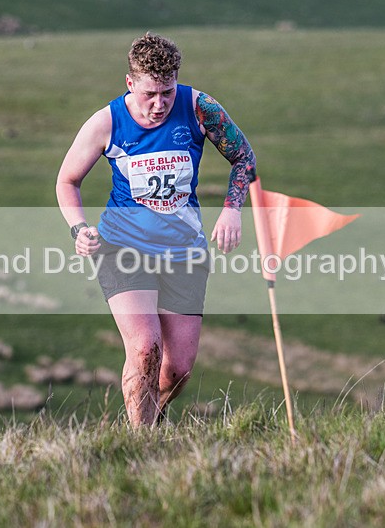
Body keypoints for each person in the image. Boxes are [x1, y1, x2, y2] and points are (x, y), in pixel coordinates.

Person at [56, 31, 256, 427]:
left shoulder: (200, 108)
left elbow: (243, 157)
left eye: (167, 91)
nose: (160, 104)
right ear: (130, 83)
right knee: (146, 347)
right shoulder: (106, 122)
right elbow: (67, 180)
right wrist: (79, 228)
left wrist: (232, 210)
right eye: (149, 94)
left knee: (177, 368)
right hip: (122, 248)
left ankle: (154, 416)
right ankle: (139, 443)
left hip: (184, 251)